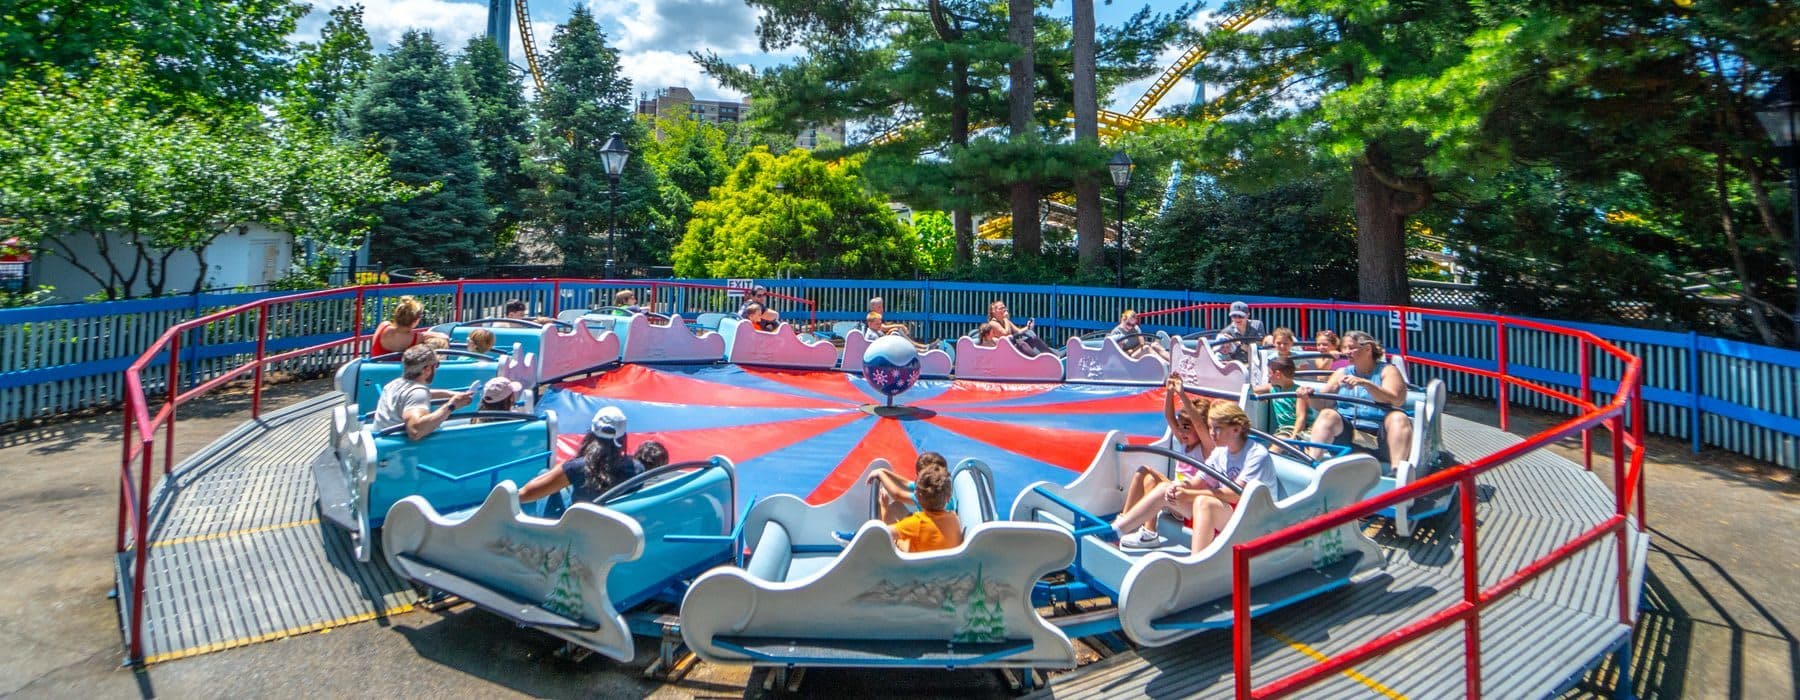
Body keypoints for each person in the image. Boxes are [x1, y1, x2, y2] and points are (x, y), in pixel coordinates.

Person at [1113, 402, 1276, 553]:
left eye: (1217, 428)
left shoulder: (1256, 454)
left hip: (1254, 519)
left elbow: (1234, 494)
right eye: (1211, 428)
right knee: (1165, 489)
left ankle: (1196, 561)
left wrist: (1189, 494)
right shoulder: (1220, 452)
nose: (1212, 433)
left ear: (1236, 429)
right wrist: (1180, 487)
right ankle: (1115, 531)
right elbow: (1198, 482)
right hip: (1228, 512)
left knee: (1204, 502)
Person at [1114, 376, 1214, 549]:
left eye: (1187, 428)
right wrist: (1169, 391)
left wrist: (1182, 394)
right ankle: (1126, 523)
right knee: (1145, 473)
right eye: (1181, 427)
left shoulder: (1207, 449)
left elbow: (1198, 424)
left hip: (1189, 502)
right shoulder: (1184, 443)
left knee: (1158, 485)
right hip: (1173, 498)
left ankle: (1148, 534)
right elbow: (1169, 417)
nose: (1182, 431)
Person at [1297, 330, 1413, 465]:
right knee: (1327, 414)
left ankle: (1398, 471)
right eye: (1344, 348)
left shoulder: (1387, 370)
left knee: (1398, 417)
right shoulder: (1341, 373)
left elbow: (1397, 400)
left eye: (1351, 348)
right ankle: (1312, 463)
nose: (1346, 352)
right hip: (1349, 434)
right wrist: (1309, 396)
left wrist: (1366, 384)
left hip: (1381, 436)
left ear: (1368, 349)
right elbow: (1323, 404)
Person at [518, 407, 644, 505]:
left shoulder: (578, 467)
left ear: (591, 433)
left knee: (544, 473)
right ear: (623, 437)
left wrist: (565, 467)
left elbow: (524, 495)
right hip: (613, 529)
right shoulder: (638, 469)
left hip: (573, 528)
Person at [849, 452, 963, 553]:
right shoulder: (954, 518)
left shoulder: (916, 524)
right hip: (937, 563)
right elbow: (906, 484)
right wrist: (884, 472)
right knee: (896, 506)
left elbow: (881, 534)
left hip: (915, 565)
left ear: (918, 496)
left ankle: (857, 537)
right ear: (948, 496)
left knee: (895, 529)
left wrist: (884, 507)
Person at [371, 344, 474, 440]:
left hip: (379, 441)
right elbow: (415, 431)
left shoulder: (393, 385)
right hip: (399, 450)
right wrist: (452, 405)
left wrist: (450, 394)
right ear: (427, 369)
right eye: (436, 365)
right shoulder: (418, 392)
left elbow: (412, 396)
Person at [370, 295, 447, 357]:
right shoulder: (417, 338)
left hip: (373, 372)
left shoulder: (383, 326)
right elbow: (444, 337)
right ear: (415, 321)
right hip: (401, 375)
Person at [1255, 357, 1310, 439]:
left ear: (1277, 374)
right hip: (1285, 430)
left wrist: (1294, 437)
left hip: (1299, 429)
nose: (1268, 376)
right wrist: (1258, 397)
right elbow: (1251, 390)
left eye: (1269, 373)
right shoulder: (1272, 388)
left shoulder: (1298, 393)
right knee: (1277, 444)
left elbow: (1301, 417)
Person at [981, 300, 1054, 357]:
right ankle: (1038, 360)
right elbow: (1005, 334)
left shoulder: (1005, 321)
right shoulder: (993, 323)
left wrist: (1028, 327)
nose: (1004, 310)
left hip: (1011, 347)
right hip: (1003, 351)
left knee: (1033, 339)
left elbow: (1018, 331)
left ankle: (1055, 356)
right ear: (994, 311)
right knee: (1021, 343)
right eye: (1001, 308)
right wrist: (1006, 319)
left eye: (1004, 308)